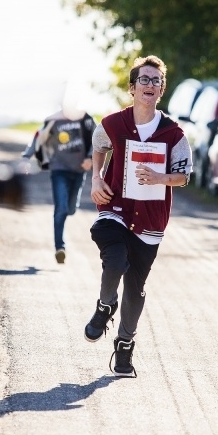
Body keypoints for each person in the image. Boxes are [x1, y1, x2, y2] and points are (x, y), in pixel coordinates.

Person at [84, 55, 192, 377]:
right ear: (132, 88)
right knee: (115, 259)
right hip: (115, 207)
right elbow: (99, 145)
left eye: (156, 81)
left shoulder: (174, 134)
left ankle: (125, 345)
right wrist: (97, 178)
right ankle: (105, 305)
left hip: (150, 218)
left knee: (135, 287)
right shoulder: (113, 124)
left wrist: (160, 178)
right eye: (143, 79)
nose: (149, 85)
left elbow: (183, 176)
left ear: (161, 90)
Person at [24, 106, 95, 263]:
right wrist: (26, 157)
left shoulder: (86, 119)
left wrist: (90, 157)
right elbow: (38, 138)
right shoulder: (53, 120)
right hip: (59, 170)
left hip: (79, 171)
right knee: (60, 209)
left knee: (70, 209)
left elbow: (96, 139)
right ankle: (59, 247)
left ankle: (67, 215)